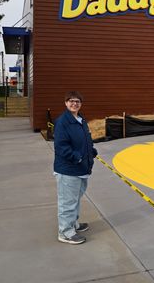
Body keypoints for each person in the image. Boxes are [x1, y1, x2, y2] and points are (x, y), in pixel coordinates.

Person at [53, 91, 98, 244]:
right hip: (69, 170)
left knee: (75, 199)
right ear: (66, 103)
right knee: (67, 202)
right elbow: (61, 147)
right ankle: (65, 232)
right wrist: (78, 157)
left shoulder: (80, 119)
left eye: (77, 101)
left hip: (81, 169)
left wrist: (90, 151)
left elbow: (85, 139)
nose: (74, 103)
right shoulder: (62, 122)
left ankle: (73, 224)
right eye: (71, 101)